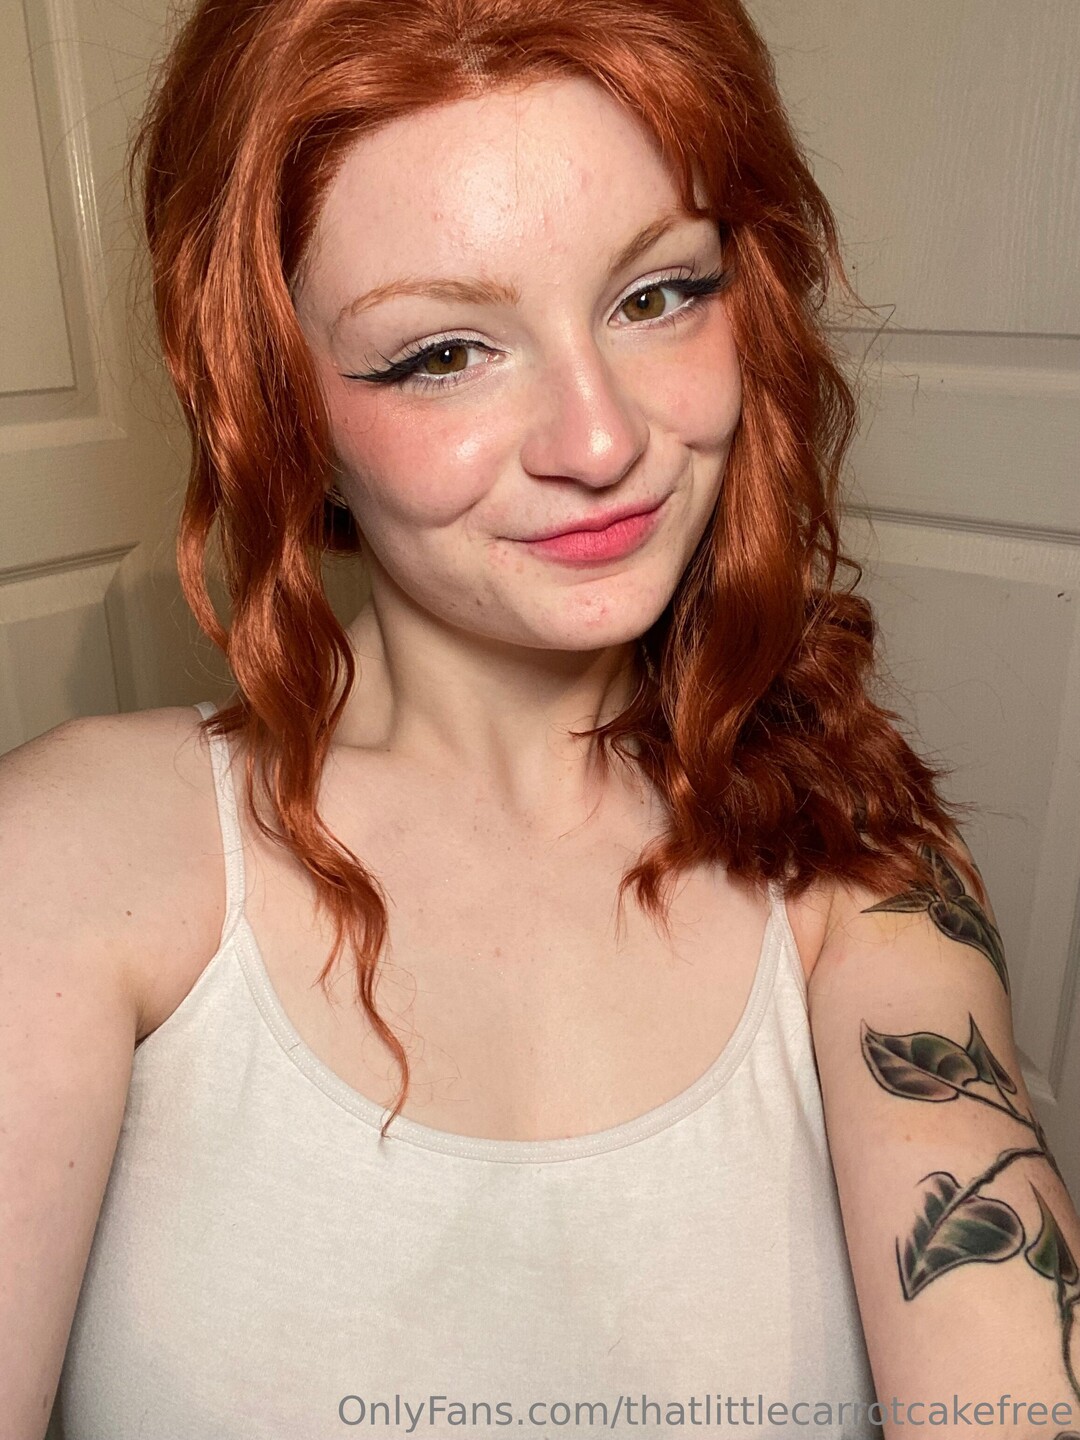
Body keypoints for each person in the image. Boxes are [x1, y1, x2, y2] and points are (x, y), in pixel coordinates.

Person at [2, 1, 1078, 1437]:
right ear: (277, 402)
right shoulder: (73, 859)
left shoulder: (863, 859)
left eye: (657, 295)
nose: (603, 440)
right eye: (444, 352)